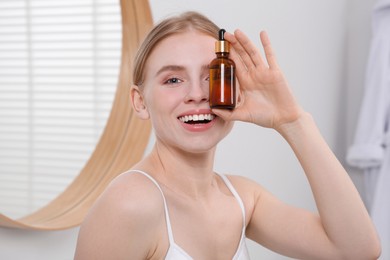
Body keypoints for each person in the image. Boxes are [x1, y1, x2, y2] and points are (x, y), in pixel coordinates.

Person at [74, 11, 381, 259]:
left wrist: (293, 120)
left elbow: (356, 249)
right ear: (140, 101)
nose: (197, 94)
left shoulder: (242, 198)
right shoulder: (130, 203)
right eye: (173, 79)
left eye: (214, 75)